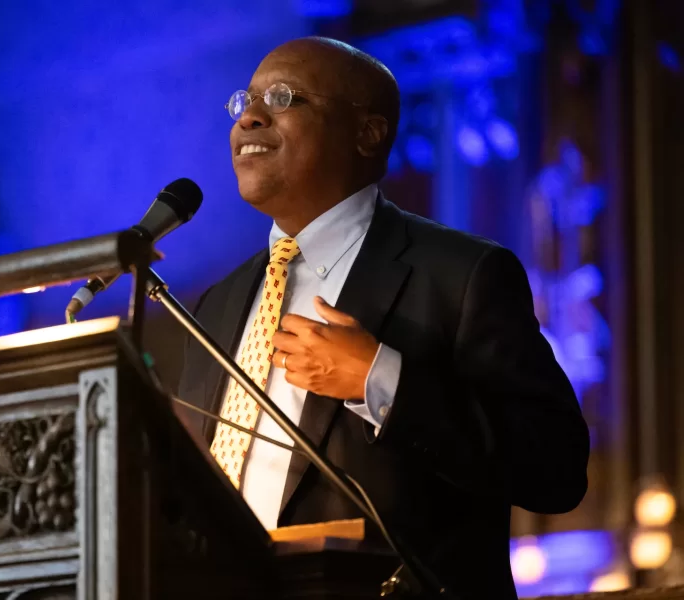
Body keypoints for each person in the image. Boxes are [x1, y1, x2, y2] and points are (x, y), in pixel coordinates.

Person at [177, 37, 589, 598]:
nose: (248, 117)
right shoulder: (214, 303)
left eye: (282, 98)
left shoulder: (463, 274)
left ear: (367, 133)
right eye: (243, 102)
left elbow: (555, 468)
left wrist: (380, 379)